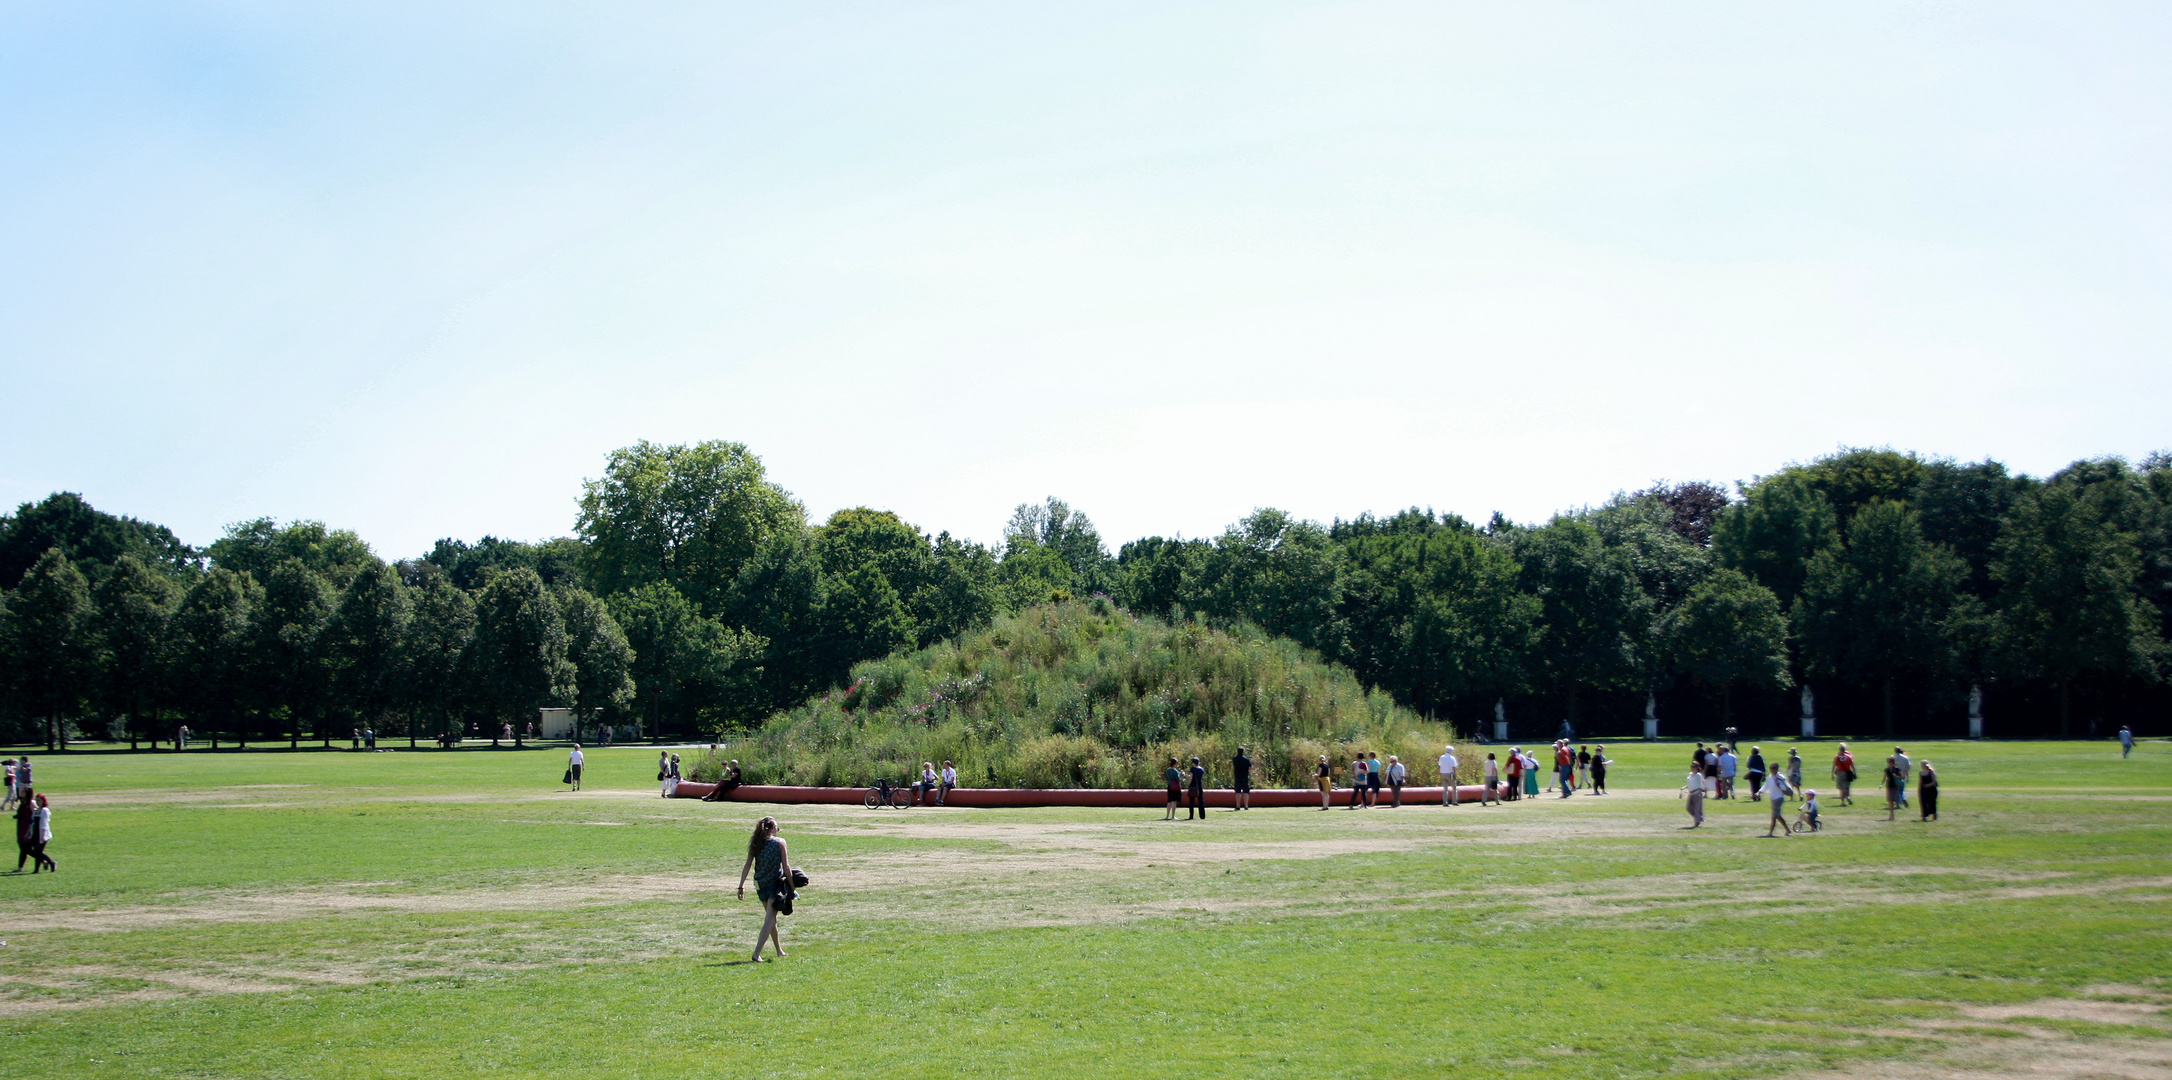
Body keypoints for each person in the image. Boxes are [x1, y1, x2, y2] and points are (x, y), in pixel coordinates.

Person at [736, 816, 793, 962]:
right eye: (777, 828)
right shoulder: (780, 842)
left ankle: (779, 951)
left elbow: (748, 864)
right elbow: (786, 867)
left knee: (771, 919)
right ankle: (756, 953)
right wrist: (792, 887)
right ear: (773, 829)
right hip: (774, 885)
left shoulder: (756, 843)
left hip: (760, 885)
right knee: (770, 919)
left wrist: (741, 885)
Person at [1764, 771, 1794, 838]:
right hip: (1773, 798)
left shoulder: (1780, 777)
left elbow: (1785, 787)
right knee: (1777, 815)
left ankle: (1770, 833)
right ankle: (1787, 830)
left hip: (1779, 798)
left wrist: (1779, 786)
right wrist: (1760, 792)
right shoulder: (1770, 777)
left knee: (1774, 816)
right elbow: (1766, 785)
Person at [28, 795, 53, 872]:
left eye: (39, 800)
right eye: (37, 800)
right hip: (35, 833)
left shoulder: (44, 810)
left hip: (42, 834)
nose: (38, 802)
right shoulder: (35, 811)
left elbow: (44, 824)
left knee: (39, 852)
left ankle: (51, 863)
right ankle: (37, 869)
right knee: (35, 852)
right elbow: (32, 823)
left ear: (43, 801)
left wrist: (43, 835)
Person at [15, 791, 37, 870]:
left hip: (27, 827)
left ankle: (45, 860)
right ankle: (20, 867)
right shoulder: (23, 802)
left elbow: (35, 813)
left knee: (26, 849)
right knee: (22, 848)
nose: (21, 792)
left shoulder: (31, 803)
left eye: (23, 791)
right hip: (21, 827)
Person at [1883, 755, 1904, 822]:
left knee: (1894, 800)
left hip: (1895, 786)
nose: (1889, 763)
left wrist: (1896, 776)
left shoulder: (1897, 769)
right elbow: (1884, 777)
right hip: (1889, 786)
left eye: (1890, 762)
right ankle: (1891, 815)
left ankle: (1901, 800)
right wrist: (1881, 784)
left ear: (1893, 762)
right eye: (1888, 762)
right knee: (1890, 801)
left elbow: (1902, 777)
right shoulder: (1887, 770)